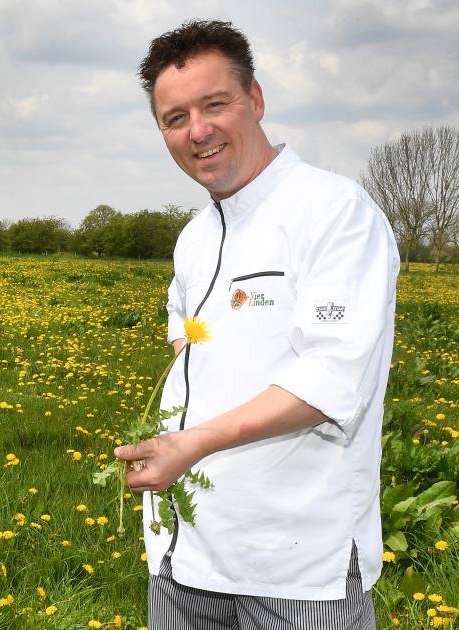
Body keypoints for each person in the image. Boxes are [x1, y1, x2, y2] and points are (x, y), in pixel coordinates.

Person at [114, 19, 398, 630]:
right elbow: (191, 359)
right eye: (175, 117)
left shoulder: (334, 211)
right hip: (183, 559)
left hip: (296, 570)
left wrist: (191, 444)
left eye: (215, 105)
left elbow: (332, 378)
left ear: (257, 99)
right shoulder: (194, 238)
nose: (199, 131)